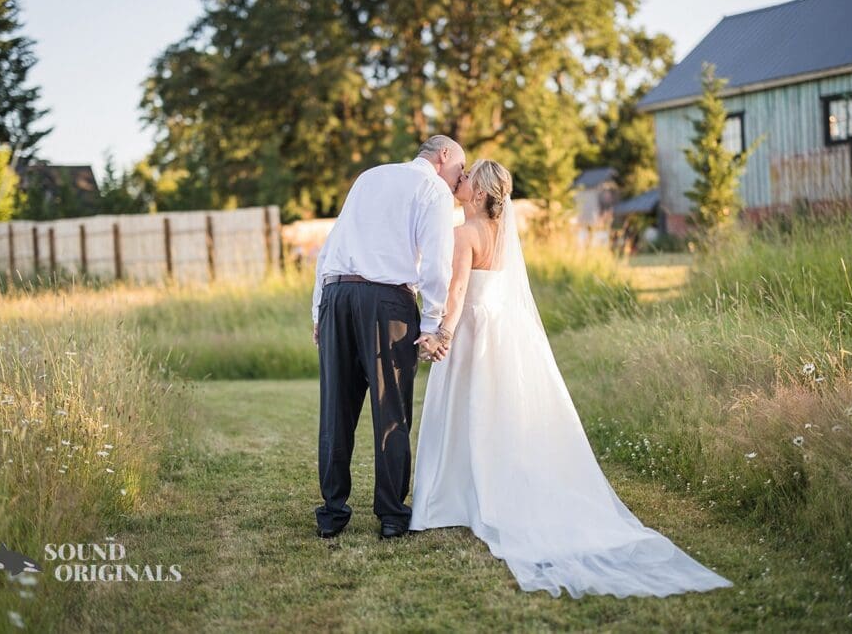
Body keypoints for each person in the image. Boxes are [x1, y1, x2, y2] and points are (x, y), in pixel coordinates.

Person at [408, 159, 734, 598]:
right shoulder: (501, 234)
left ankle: (456, 496)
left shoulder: (463, 234)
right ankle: (486, 485)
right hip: (501, 329)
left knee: (468, 410)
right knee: (497, 410)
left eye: (466, 180)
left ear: (481, 194)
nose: (459, 182)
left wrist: (442, 331)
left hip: (471, 331)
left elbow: (459, 290)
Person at [311, 135, 466, 540]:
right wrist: (432, 324)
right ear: (443, 155)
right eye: (459, 172)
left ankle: (332, 512)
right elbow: (436, 262)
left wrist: (318, 310)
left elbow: (330, 248)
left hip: (337, 293)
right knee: (390, 410)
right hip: (387, 301)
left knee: (335, 409)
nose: (459, 181)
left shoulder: (369, 177)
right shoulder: (432, 189)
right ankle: (393, 515)